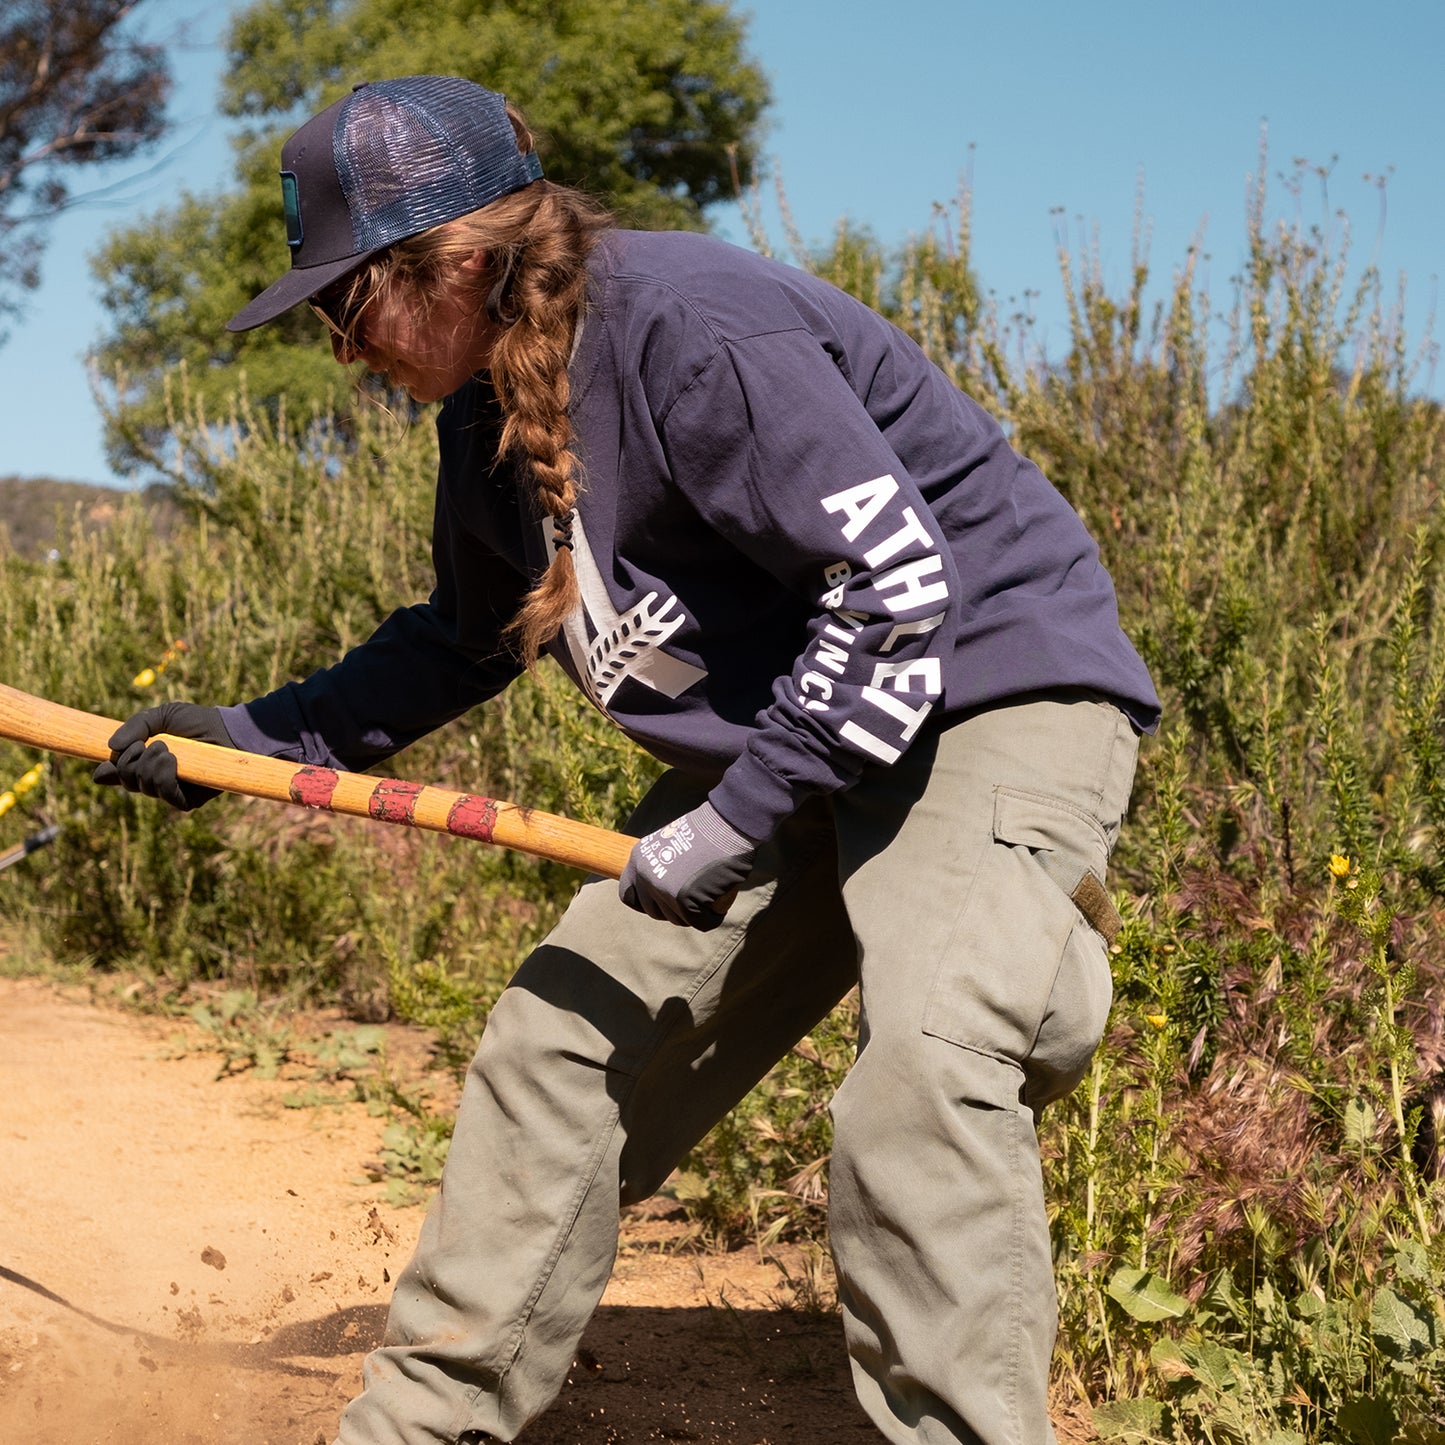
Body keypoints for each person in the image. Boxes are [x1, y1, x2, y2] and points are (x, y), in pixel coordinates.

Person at [95, 75, 1160, 1445]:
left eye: (347, 302)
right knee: (557, 1040)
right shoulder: (486, 425)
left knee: (927, 1065)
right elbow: (459, 641)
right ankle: (416, 1426)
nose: (341, 346)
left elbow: (894, 587)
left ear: (462, 263)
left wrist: (738, 820)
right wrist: (239, 743)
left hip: (985, 693)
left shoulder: (692, 331)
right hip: (798, 731)